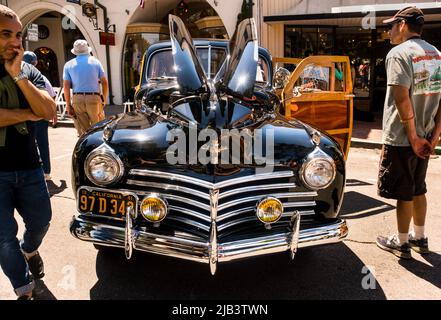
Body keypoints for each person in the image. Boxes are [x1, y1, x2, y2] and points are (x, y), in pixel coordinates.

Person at [376, 6, 441, 259]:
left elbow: (402, 99)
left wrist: (413, 137)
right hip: (425, 136)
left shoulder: (398, 54)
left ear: (403, 25)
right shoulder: (436, 54)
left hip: (404, 137)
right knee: (418, 188)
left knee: (404, 193)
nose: (389, 31)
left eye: (392, 25)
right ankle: (420, 237)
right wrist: (434, 135)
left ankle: (402, 243)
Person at [0, 5, 56, 299]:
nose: (15, 41)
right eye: (6, 34)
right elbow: (36, 113)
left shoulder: (27, 69)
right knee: (3, 239)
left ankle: (30, 250)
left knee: (41, 221)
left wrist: (18, 74)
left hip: (29, 166)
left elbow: (47, 110)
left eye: (19, 34)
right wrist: (27, 113)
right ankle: (24, 290)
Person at [63, 39, 108, 136]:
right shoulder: (96, 62)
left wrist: (68, 104)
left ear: (75, 51)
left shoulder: (68, 65)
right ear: (87, 50)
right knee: (98, 127)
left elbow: (66, 86)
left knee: (83, 130)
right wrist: (104, 98)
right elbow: (104, 83)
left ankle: (87, 148)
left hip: (77, 98)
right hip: (93, 97)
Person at [23, 51, 56, 181]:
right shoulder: (40, 76)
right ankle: (46, 171)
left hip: (29, 116)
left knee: (31, 144)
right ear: (35, 63)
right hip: (40, 116)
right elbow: (52, 95)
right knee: (42, 143)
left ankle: (38, 171)